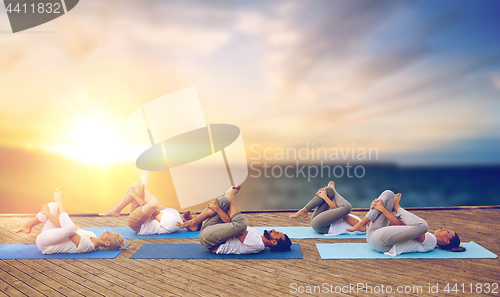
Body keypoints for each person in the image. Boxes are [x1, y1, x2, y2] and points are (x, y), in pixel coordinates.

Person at [177, 185, 292, 254]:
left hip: (209, 240)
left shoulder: (257, 244)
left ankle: (229, 195)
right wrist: (220, 207)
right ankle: (194, 223)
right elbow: (232, 225)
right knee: (224, 202)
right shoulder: (256, 233)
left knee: (241, 224)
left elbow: (236, 226)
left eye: (275, 233)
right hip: (213, 230)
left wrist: (218, 208)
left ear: (273, 242)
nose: (272, 230)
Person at [346, 190, 465, 256]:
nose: (444, 228)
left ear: (446, 241)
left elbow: (400, 226)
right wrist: (379, 208)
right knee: (388, 194)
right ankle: (363, 223)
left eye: (447, 231)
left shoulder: (431, 241)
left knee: (423, 226)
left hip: (381, 242)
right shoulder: (429, 239)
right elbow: (397, 228)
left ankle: (396, 207)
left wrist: (383, 209)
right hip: (374, 235)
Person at [12, 187, 124, 254]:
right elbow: (72, 226)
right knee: (53, 206)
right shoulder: (91, 234)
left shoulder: (88, 246)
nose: (106, 231)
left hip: (45, 244)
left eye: (109, 234)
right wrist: (51, 213)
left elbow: (67, 229)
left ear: (107, 243)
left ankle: (59, 200)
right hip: (51, 235)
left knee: (68, 228)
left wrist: (48, 215)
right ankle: (28, 225)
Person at [99, 171, 198, 235]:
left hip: (137, 224)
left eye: (195, 217)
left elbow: (152, 209)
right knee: (137, 186)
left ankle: (144, 183)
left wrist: (135, 195)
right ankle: (117, 210)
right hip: (143, 213)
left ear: (191, 225)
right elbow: (154, 206)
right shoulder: (175, 212)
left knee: (153, 203)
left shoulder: (174, 223)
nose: (194, 213)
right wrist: (138, 192)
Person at [289, 181, 365, 235]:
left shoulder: (363, 227)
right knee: (329, 190)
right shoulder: (361, 221)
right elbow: (338, 211)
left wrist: (325, 197)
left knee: (347, 208)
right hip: (320, 220)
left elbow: (340, 212)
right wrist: (326, 195)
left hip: (321, 226)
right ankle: (304, 210)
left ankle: (334, 191)